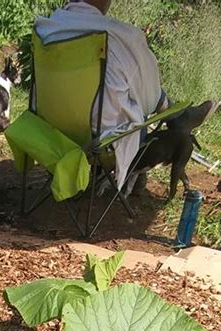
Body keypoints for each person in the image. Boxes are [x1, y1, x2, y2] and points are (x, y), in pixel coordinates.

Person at [34, 0, 171, 189]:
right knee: (142, 102)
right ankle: (178, 117)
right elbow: (149, 101)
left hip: (48, 133)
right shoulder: (121, 36)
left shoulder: (46, 27)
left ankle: (178, 115)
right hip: (100, 144)